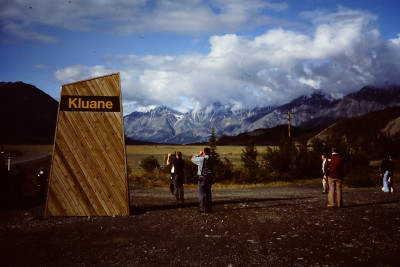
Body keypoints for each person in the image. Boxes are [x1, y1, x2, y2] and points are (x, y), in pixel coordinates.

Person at [191, 147, 213, 213]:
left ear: (204, 152)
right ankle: (209, 208)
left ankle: (203, 209)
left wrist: (199, 154)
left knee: (202, 193)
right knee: (208, 193)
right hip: (209, 176)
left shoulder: (202, 159)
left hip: (202, 176)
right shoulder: (212, 159)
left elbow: (192, 159)